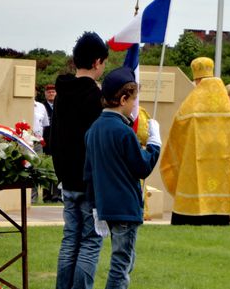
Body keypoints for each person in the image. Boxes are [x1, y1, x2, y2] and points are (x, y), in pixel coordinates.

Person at [85, 66, 161, 288]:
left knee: (125, 261)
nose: (134, 106)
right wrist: (154, 145)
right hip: (125, 207)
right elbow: (142, 167)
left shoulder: (93, 129)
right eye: (134, 101)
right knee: (121, 265)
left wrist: (95, 206)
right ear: (123, 99)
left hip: (106, 206)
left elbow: (88, 173)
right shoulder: (124, 132)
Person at [50, 31, 108, 289]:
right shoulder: (94, 97)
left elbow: (57, 138)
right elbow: (98, 142)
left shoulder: (62, 93)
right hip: (89, 180)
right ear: (97, 62)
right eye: (104, 62)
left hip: (67, 179)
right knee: (91, 241)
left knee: (70, 240)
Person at [160, 57, 230, 225]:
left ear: (196, 79)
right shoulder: (226, 105)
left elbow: (177, 134)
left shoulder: (191, 105)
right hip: (221, 161)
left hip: (193, 163)